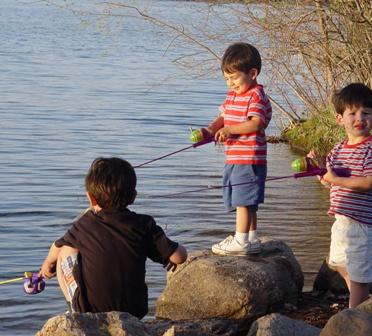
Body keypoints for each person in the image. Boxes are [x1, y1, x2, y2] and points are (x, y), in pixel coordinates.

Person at [39, 157, 187, 318]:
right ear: (134, 196)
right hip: (134, 311)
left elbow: (57, 246)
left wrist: (47, 265)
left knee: (66, 249)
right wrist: (171, 254)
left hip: (92, 311)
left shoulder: (85, 223)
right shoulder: (144, 224)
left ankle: (76, 310)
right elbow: (180, 257)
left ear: (90, 197)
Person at [309, 83, 372, 308]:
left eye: (366, 113)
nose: (359, 118)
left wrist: (335, 179)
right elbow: (331, 183)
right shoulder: (337, 150)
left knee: (359, 274)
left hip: (364, 224)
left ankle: (356, 314)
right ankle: (361, 299)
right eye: (352, 113)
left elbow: (369, 183)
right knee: (338, 262)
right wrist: (319, 171)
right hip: (342, 220)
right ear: (339, 118)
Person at [200, 42, 272, 256]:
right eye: (227, 79)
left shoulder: (256, 95)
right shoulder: (233, 95)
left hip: (249, 157)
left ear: (252, 73)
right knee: (246, 199)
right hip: (235, 156)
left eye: (234, 78)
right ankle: (251, 238)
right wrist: (211, 129)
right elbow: (224, 116)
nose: (231, 83)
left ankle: (241, 241)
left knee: (244, 199)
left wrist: (230, 130)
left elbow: (256, 123)